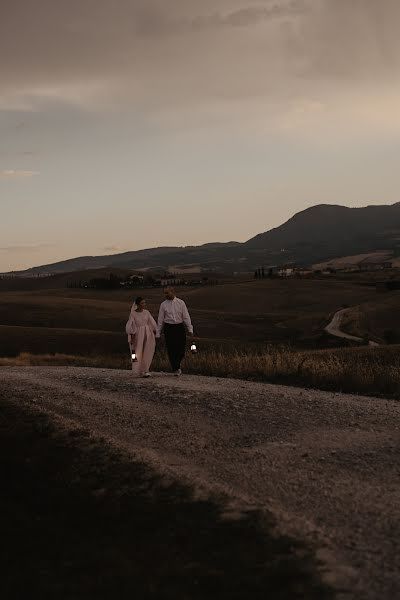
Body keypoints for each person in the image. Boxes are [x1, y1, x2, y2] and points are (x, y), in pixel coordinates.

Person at [156, 287, 193, 376]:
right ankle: (176, 368)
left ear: (173, 292)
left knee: (181, 348)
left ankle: (177, 364)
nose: (165, 295)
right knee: (171, 348)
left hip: (179, 327)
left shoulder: (181, 303)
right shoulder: (163, 305)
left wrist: (190, 328)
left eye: (167, 293)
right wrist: (158, 333)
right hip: (169, 328)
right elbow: (160, 319)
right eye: (164, 293)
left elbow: (186, 316)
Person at [125, 296, 157, 378]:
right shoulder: (133, 314)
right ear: (138, 304)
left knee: (147, 350)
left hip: (147, 333)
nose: (144, 305)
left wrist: (155, 331)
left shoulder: (146, 312)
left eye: (144, 303)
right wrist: (132, 336)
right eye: (142, 303)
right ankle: (138, 369)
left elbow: (151, 322)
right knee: (138, 352)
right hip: (138, 334)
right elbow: (131, 325)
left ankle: (145, 369)